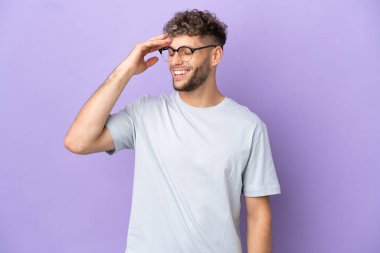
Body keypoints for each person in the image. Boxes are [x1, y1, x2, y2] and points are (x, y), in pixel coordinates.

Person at [64, 9, 281, 253]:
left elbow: (258, 214)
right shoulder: (145, 113)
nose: (175, 60)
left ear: (215, 55)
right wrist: (125, 70)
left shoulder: (249, 127)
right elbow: (78, 141)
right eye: (171, 51)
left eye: (187, 51)